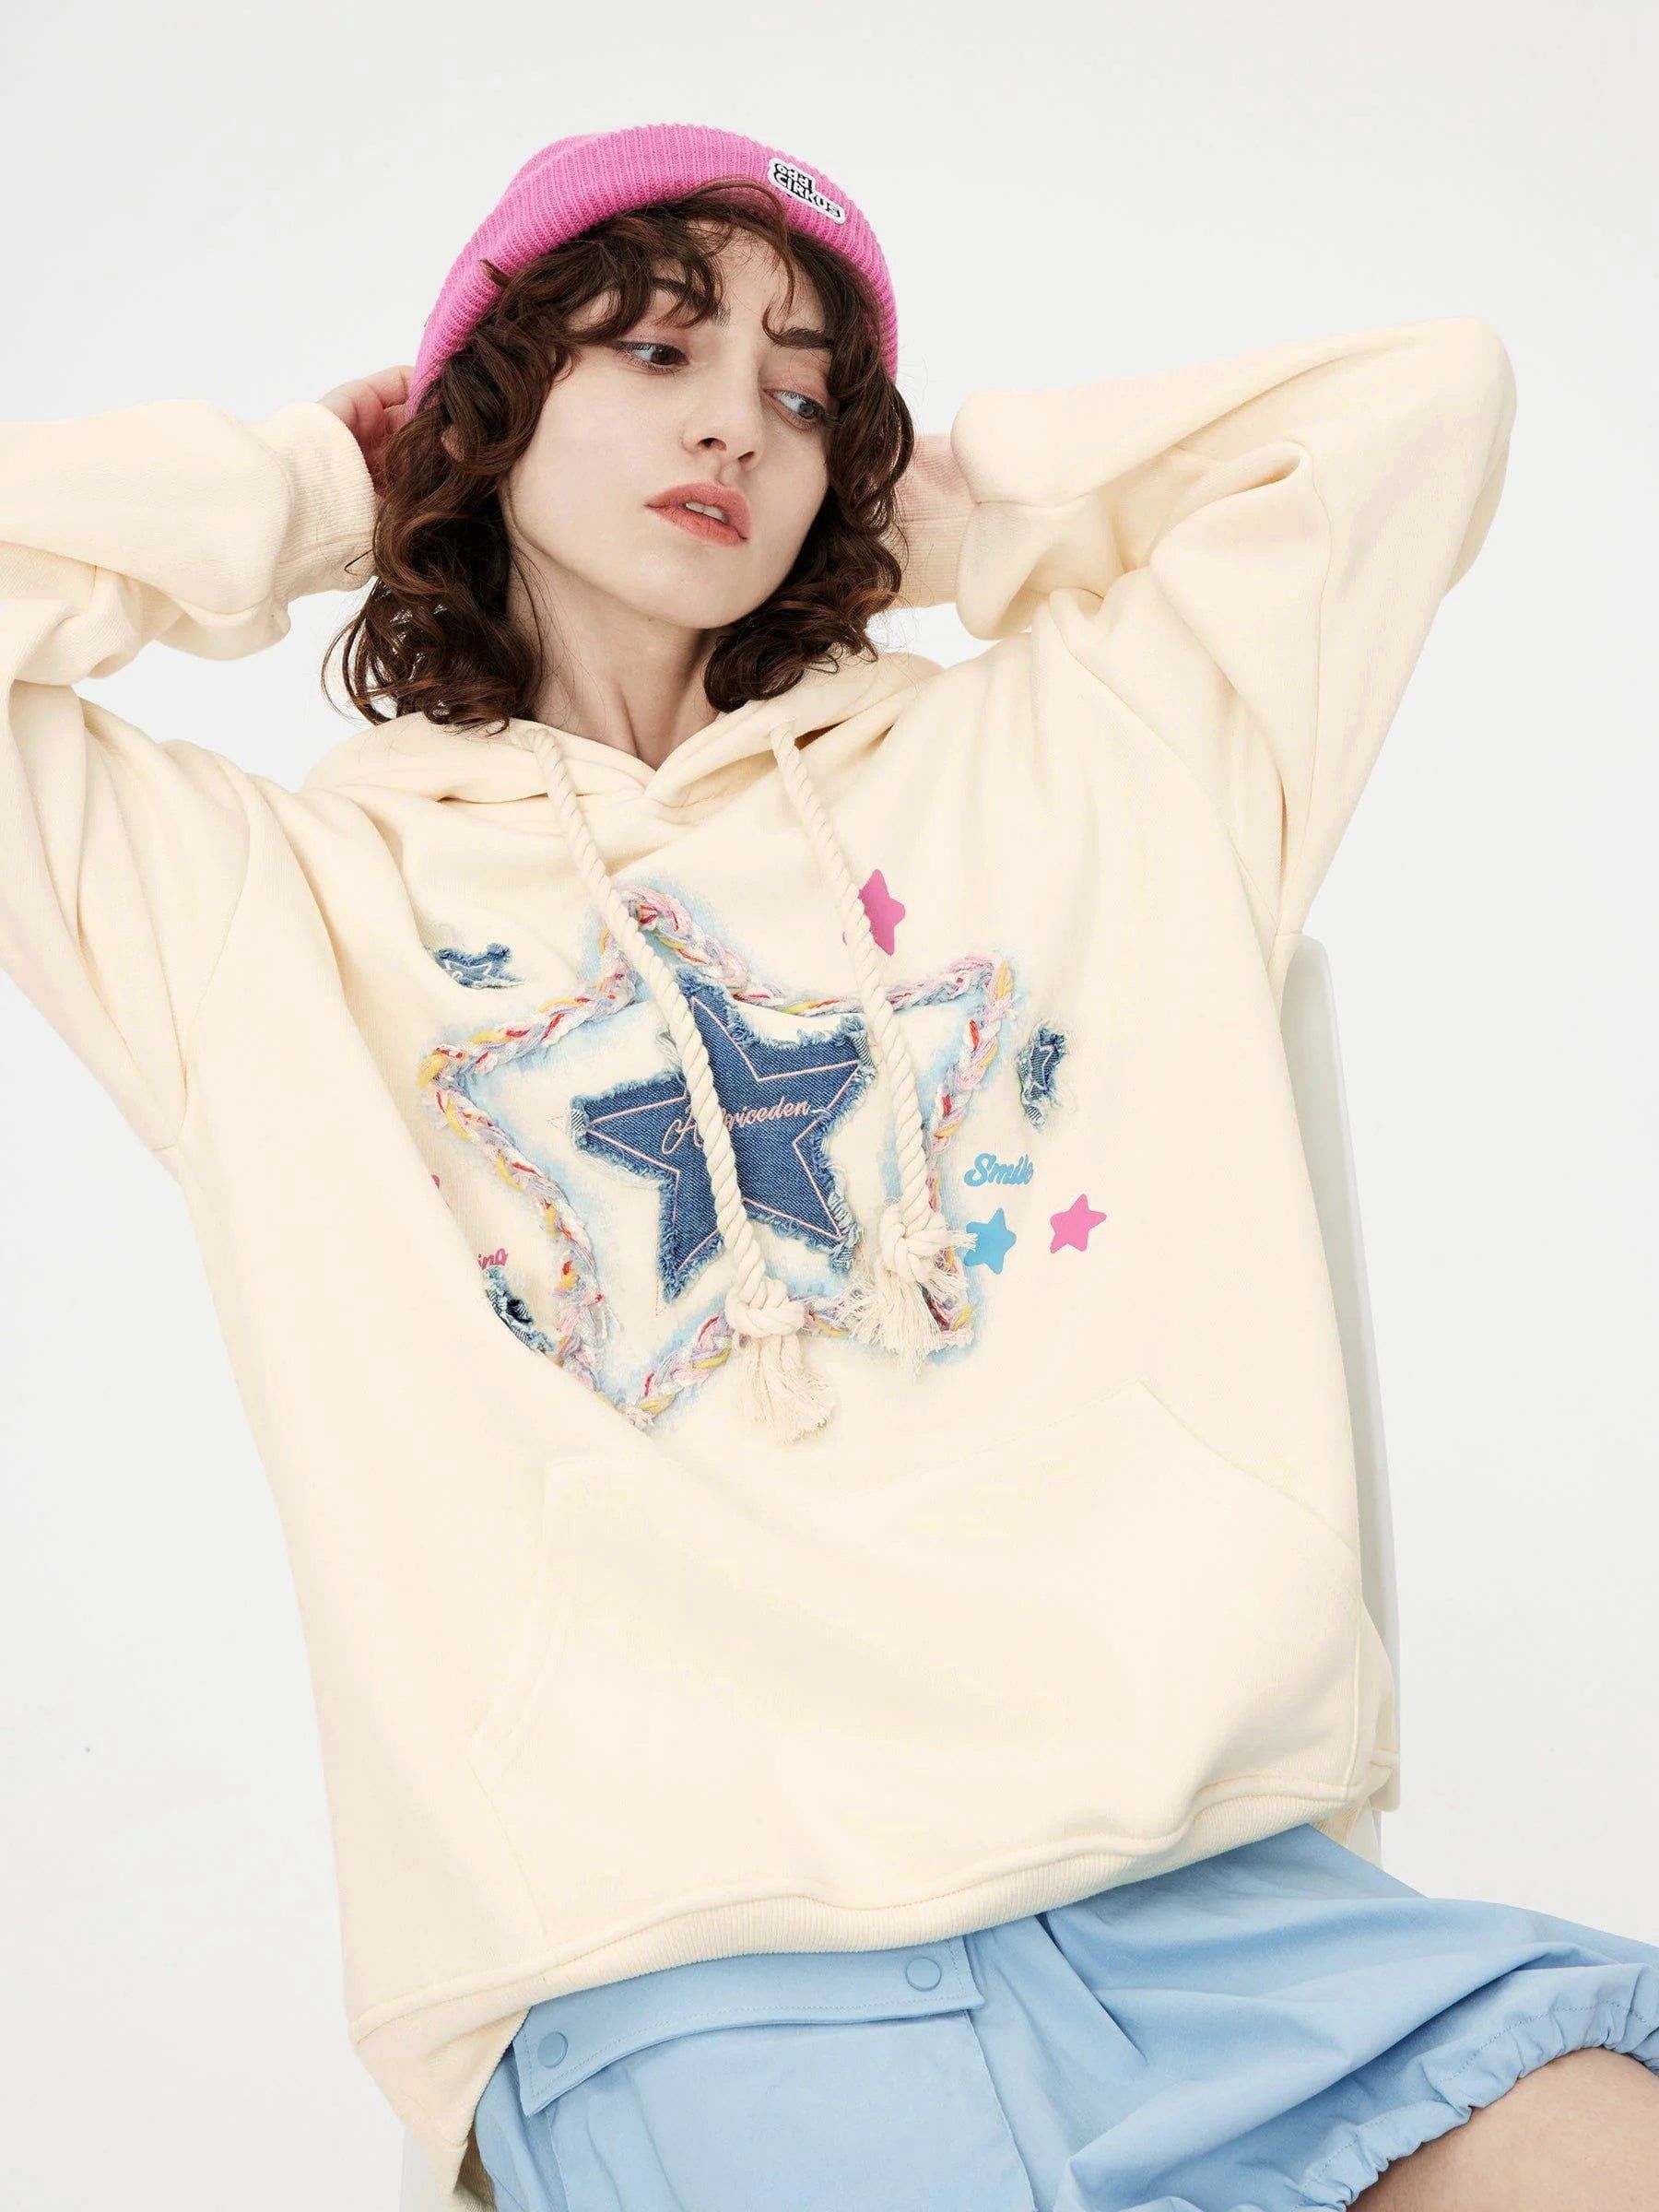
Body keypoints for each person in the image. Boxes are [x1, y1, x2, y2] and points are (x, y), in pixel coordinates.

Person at [3, 122, 1654, 2212]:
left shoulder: (1086, 756)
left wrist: (971, 517)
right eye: (658, 354)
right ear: (491, 401)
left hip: (1214, 1912)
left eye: (802, 397)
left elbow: (1427, 403)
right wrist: (311, 491)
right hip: (687, 1969)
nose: (737, 428)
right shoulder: (267, 910)